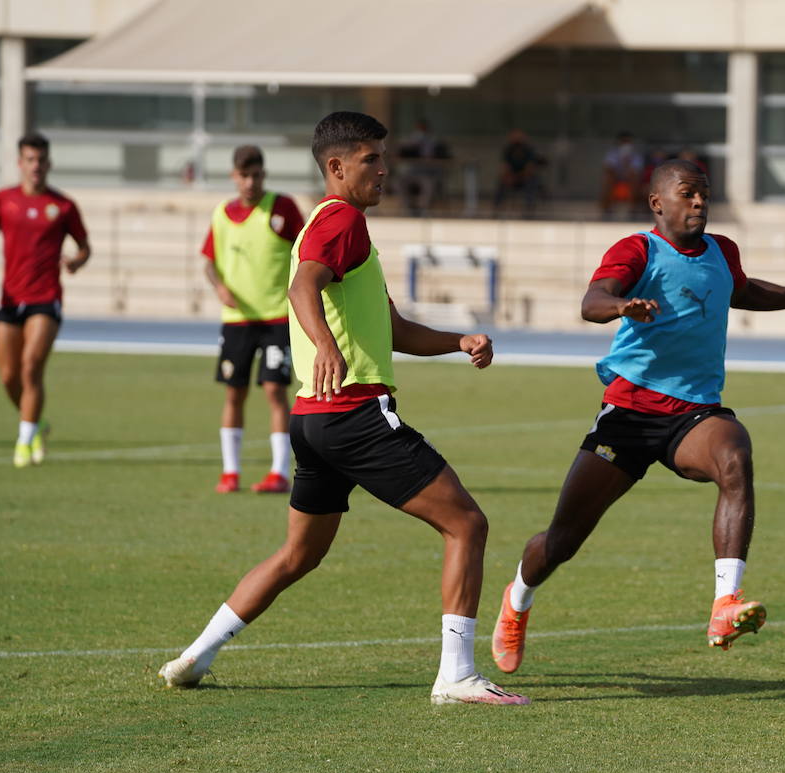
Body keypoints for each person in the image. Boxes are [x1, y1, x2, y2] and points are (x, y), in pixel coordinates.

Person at [160, 111, 525, 706]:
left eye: (384, 159)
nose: (384, 170)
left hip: (313, 420)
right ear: (336, 167)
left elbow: (394, 328)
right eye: (371, 160)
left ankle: (196, 656)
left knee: (298, 554)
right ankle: (456, 675)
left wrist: (457, 341)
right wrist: (327, 346)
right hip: (356, 416)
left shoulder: (329, 226)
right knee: (467, 524)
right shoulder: (342, 219)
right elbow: (301, 286)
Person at [488, 159, 785, 674]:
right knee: (562, 541)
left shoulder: (722, 251)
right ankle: (517, 600)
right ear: (657, 203)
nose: (700, 202)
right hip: (630, 414)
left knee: (734, 454)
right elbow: (592, 301)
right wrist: (621, 307)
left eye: (704, 194)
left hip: (694, 414)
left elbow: (746, 291)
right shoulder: (638, 249)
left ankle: (725, 604)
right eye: (688, 193)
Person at [0, 133, 90, 468]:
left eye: (41, 160)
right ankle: (36, 424)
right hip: (11, 299)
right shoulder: (3, 200)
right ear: (19, 163)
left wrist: (75, 261)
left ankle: (24, 443)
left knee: (31, 368)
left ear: (49, 163)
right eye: (30, 160)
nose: (36, 166)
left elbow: (85, 247)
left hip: (45, 298)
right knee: (9, 377)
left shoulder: (63, 206)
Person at [201, 145, 305, 494]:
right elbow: (208, 262)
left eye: (256, 175)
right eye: (244, 176)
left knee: (275, 390)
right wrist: (219, 288)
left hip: (276, 316)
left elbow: (307, 250)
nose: (250, 182)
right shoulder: (221, 214)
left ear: (264, 174)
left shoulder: (282, 208)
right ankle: (230, 472)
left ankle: (278, 472)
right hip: (237, 320)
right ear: (234, 176)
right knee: (234, 393)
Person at [493, 129, 543, 214]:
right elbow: (505, 166)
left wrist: (519, 177)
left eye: (519, 136)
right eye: (514, 136)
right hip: (512, 177)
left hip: (525, 177)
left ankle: (529, 207)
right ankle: (497, 207)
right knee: (501, 182)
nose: (516, 138)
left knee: (532, 181)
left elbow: (530, 169)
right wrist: (508, 177)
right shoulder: (508, 149)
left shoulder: (529, 150)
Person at [599, 131, 643, 217]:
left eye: (628, 142)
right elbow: (608, 169)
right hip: (615, 181)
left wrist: (627, 162)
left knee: (635, 180)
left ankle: (632, 210)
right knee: (607, 179)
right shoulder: (612, 154)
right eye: (624, 142)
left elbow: (635, 172)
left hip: (630, 181)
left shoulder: (636, 156)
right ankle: (607, 209)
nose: (626, 145)